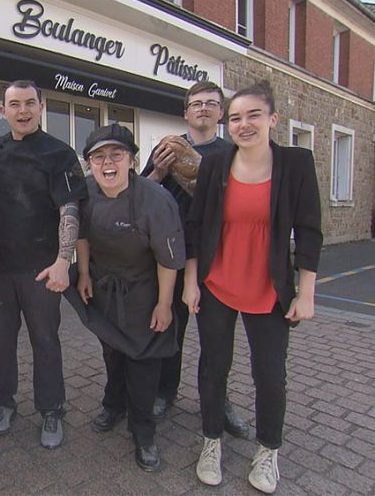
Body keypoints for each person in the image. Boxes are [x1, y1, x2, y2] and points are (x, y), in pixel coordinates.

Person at [184, 81, 322, 493]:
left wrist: (307, 292)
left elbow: (309, 232)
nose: (244, 125)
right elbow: (196, 225)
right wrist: (191, 282)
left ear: (272, 120)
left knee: (270, 375)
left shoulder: (296, 164)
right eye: (236, 118)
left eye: (254, 116)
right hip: (217, 285)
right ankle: (211, 442)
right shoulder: (215, 165)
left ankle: (268, 452)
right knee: (213, 367)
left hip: (268, 290)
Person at [65, 124, 184, 471]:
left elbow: (168, 258)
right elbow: (83, 234)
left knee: (144, 362)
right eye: (98, 157)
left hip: (145, 291)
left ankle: (143, 432)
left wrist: (164, 305)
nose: (107, 163)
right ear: (89, 164)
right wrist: (84, 273)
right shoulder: (86, 191)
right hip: (104, 286)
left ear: (131, 160)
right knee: (112, 351)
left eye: (116, 154)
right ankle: (113, 404)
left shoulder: (155, 200)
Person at [0, 80, 87, 449]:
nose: (22, 111)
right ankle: (1, 402)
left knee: (45, 340)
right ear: (3, 110)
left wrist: (63, 261)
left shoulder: (59, 153)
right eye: (14, 104)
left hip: (42, 268)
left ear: (42, 107)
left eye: (29, 103)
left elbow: (70, 208)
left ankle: (52, 408)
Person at [139, 81, 249, 438]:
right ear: (186, 112)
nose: (203, 109)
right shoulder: (165, 149)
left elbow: (240, 206)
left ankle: (218, 400)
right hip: (170, 258)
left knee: (217, 340)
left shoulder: (234, 154)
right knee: (169, 332)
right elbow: (140, 197)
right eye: (196, 104)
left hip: (216, 259)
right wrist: (156, 171)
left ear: (221, 113)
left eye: (211, 104)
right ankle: (164, 392)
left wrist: (206, 175)